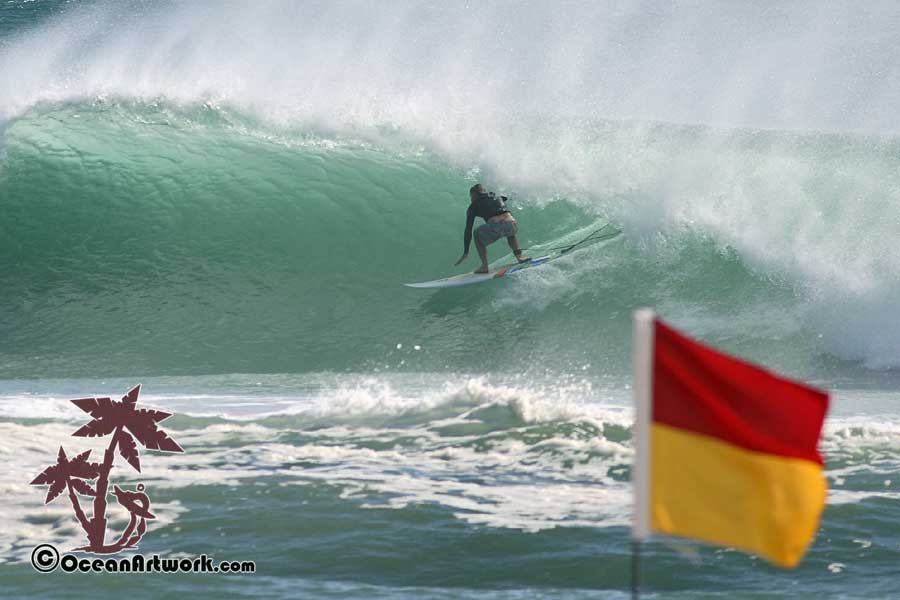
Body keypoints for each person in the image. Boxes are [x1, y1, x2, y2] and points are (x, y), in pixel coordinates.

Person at [455, 184, 530, 273]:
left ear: (474, 194)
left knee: (476, 233)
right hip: (511, 223)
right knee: (511, 235)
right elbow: (506, 198)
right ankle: (519, 257)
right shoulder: (496, 195)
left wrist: (466, 251)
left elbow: (468, 229)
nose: (471, 199)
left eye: (471, 196)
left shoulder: (473, 205)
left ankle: (484, 266)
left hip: (496, 226)